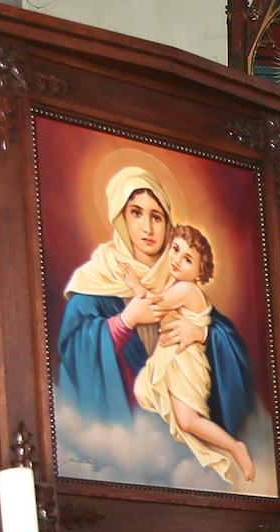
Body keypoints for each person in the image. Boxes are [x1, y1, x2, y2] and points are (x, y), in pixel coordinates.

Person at [55, 166, 251, 436]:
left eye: (156, 217)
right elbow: (73, 348)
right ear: (121, 216)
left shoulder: (181, 281)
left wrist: (203, 334)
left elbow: (231, 346)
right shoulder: (97, 277)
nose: (147, 228)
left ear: (168, 223)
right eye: (136, 213)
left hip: (176, 431)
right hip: (126, 435)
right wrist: (125, 321)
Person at [123, 227, 255, 485]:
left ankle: (235, 447)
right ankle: (230, 447)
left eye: (187, 259)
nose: (177, 259)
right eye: (175, 249)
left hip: (187, 363)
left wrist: (136, 286)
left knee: (188, 420)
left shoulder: (186, 289)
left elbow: (156, 305)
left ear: (200, 272)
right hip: (176, 359)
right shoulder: (178, 285)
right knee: (177, 414)